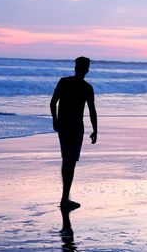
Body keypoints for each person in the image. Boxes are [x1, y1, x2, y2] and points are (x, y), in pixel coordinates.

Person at [50, 56, 97, 210]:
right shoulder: (86, 87)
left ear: (76, 67)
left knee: (67, 160)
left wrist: (55, 120)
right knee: (70, 161)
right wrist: (95, 130)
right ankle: (65, 199)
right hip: (75, 127)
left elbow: (53, 103)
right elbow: (92, 111)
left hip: (65, 125)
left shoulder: (64, 82)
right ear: (87, 69)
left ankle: (65, 197)